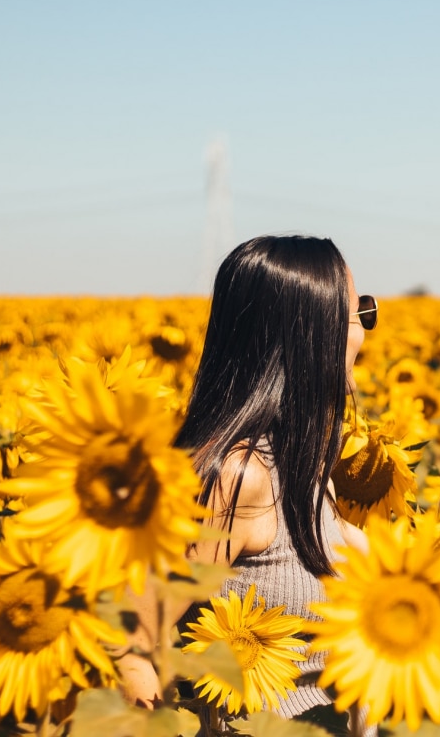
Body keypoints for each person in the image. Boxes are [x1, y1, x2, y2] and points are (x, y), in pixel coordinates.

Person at [117, 235, 377, 735]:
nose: (364, 334)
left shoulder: (301, 463)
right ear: (311, 332)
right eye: (355, 315)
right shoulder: (239, 476)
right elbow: (130, 637)